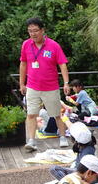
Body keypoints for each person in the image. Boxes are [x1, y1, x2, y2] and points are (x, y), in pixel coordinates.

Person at [19, 17, 71, 152]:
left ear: (42, 30)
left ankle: (63, 136)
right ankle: (31, 141)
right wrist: (22, 83)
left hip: (51, 87)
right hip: (32, 86)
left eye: (35, 30)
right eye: (30, 31)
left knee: (56, 114)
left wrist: (66, 83)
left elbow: (62, 64)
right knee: (31, 114)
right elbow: (23, 64)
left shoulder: (53, 45)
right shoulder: (26, 45)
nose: (33, 34)